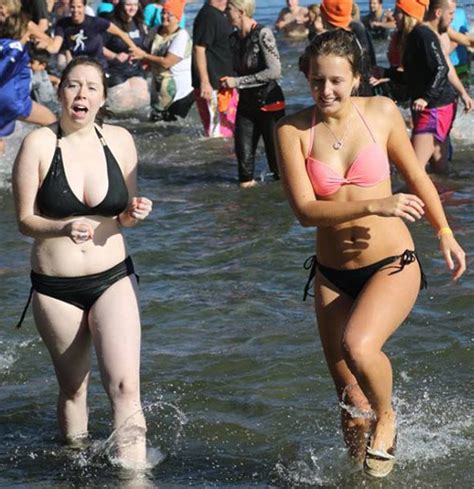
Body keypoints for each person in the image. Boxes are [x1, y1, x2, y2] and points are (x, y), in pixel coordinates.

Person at [275, 28, 465, 478]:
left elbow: (417, 177)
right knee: (348, 399)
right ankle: (359, 474)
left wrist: (444, 230)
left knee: (359, 347)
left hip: (391, 263)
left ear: (356, 78)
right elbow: (305, 211)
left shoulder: (380, 114)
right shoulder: (291, 130)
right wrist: (376, 203)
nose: (326, 90)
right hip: (332, 274)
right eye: (318, 81)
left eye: (336, 81)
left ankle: (389, 415)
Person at [12, 56, 153, 469]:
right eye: (73, 85)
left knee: (126, 387)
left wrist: (134, 213)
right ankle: (78, 469)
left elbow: (122, 212)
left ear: (103, 98)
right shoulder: (39, 143)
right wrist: (61, 227)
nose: (82, 94)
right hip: (57, 288)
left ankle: (135, 477)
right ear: (59, 92)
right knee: (75, 389)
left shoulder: (121, 141)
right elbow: (24, 221)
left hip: (112, 278)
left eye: (91, 87)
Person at [403, 0, 473, 172]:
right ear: (438, 13)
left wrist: (426, 98)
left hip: (435, 107)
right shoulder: (426, 34)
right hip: (443, 103)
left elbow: (442, 67)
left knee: (413, 171)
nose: (453, 18)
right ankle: (449, 196)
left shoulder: (426, 34)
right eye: (451, 14)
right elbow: (442, 67)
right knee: (439, 167)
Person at [221, 0, 285, 187]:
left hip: (270, 104)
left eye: (228, 9)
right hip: (246, 106)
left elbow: (275, 72)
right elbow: (236, 70)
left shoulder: (263, 34)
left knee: (277, 167)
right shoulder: (232, 39)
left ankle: (281, 209)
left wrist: (238, 82)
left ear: (241, 12)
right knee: (244, 167)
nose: (225, 13)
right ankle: (245, 212)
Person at [0, 0, 56, 153]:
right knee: (52, 122)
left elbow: (49, 42)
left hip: (12, 91)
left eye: (2, 7)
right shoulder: (15, 48)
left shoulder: (25, 23)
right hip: (13, 97)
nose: (1, 12)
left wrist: (40, 43)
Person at [131, 0, 194, 122]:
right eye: (163, 12)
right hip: (159, 87)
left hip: (180, 92)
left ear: (178, 18)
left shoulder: (181, 36)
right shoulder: (155, 30)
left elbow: (167, 62)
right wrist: (143, 61)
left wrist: (144, 56)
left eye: (169, 14)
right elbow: (147, 51)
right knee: (154, 123)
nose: (164, 16)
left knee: (172, 128)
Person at [192, 0, 237, 138]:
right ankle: (218, 159)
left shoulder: (219, 15)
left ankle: (226, 158)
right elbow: (199, 49)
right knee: (217, 132)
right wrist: (205, 82)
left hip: (224, 83)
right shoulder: (208, 15)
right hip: (213, 85)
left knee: (227, 129)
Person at [48, 0, 137, 69]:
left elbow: (120, 33)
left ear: (84, 7)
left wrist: (134, 49)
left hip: (96, 63)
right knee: (61, 62)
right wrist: (45, 45)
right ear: (69, 7)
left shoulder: (95, 22)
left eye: (79, 7)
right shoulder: (63, 24)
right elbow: (56, 45)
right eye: (73, 7)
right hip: (75, 63)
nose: (75, 10)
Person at [320, 0, 377, 96]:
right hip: (364, 87)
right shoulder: (358, 28)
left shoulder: (334, 39)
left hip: (351, 92)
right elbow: (371, 60)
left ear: (327, 16)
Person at [103, 0, 150, 113]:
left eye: (134, 5)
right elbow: (98, 46)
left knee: (142, 104)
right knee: (123, 108)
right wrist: (114, 55)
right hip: (114, 70)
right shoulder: (111, 24)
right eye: (128, 5)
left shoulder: (139, 22)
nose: (132, 8)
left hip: (135, 69)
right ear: (121, 5)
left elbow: (144, 45)